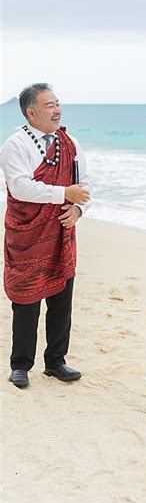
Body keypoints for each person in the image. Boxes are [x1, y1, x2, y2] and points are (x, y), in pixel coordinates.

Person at [0, 83, 91, 388]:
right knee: (26, 300)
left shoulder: (71, 143)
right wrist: (64, 192)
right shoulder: (15, 144)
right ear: (31, 112)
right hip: (27, 234)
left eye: (58, 103)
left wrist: (78, 209)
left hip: (61, 232)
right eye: (50, 105)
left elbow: (85, 184)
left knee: (61, 299)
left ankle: (56, 362)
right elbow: (21, 187)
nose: (57, 110)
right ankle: (21, 364)